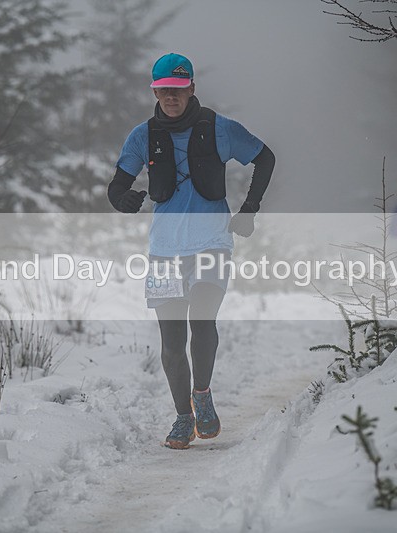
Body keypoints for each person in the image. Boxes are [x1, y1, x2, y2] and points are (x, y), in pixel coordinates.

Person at [107, 53, 275, 450]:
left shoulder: (219, 129)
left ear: (192, 89)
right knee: (170, 342)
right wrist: (122, 200)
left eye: (178, 90)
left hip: (211, 243)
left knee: (201, 324)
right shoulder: (142, 136)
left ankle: (201, 395)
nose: (170, 97)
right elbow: (118, 184)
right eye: (164, 90)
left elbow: (265, 157)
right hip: (164, 250)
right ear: (155, 91)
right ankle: (183, 416)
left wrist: (249, 210)